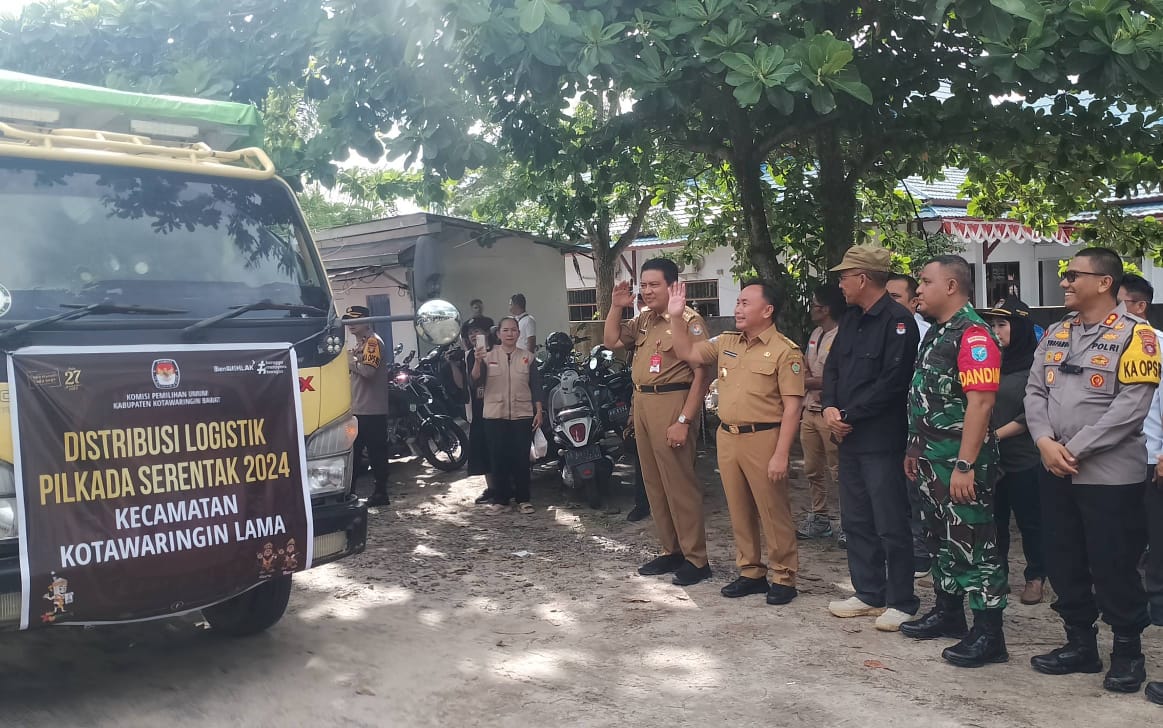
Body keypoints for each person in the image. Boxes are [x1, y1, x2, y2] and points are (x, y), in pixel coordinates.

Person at [1024, 247, 1159, 694]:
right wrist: (1044, 442)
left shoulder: (1138, 336)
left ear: (1104, 283)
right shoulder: (1057, 332)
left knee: (1113, 563)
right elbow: (1034, 391)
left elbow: (1131, 408)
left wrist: (1072, 448)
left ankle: (1127, 653)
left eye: (1073, 275)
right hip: (1054, 467)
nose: (1064, 282)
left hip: (1109, 477)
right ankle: (1080, 644)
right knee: (1063, 559)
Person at [898, 256, 1009, 668]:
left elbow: (981, 404)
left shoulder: (974, 335)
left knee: (976, 544)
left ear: (950, 286)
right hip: (931, 459)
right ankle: (949, 612)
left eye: (925, 281)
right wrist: (915, 448)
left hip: (961, 463)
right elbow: (926, 397)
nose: (918, 289)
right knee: (941, 540)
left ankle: (989, 634)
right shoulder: (937, 332)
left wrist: (965, 465)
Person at [670, 279, 805, 605]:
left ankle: (783, 576)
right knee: (739, 508)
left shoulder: (785, 351)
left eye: (745, 303)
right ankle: (751, 571)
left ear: (767, 310)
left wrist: (781, 454)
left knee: (772, 510)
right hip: (728, 436)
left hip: (764, 437)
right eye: (738, 302)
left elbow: (793, 407)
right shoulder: (727, 341)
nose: (738, 308)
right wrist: (675, 316)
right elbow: (688, 352)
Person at [823, 245, 920, 632]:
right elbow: (833, 368)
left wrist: (849, 415)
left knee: (890, 521)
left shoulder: (899, 322)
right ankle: (868, 592)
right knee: (856, 519)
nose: (840, 284)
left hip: (881, 438)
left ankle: (901, 600)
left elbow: (893, 382)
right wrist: (830, 407)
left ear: (863, 279)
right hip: (847, 437)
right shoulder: (850, 319)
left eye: (844, 277)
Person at [603, 259, 711, 586]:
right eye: (644, 285)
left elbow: (702, 375)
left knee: (679, 484)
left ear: (672, 286)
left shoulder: (689, 321)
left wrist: (684, 420)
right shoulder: (644, 319)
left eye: (655, 285)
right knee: (654, 483)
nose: (647, 291)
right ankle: (671, 550)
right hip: (644, 401)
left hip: (673, 401)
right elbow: (611, 341)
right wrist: (616, 307)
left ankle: (696, 559)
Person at [981, 297, 1046, 606]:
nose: (995, 331)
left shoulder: (1035, 366)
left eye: (1002, 325)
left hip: (1023, 459)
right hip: (990, 459)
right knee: (994, 521)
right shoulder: (989, 362)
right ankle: (998, 575)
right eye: (992, 325)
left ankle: (1036, 577)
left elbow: (1031, 414)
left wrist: (993, 435)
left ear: (1019, 328)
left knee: (1030, 522)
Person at [472, 316, 545, 515]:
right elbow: (475, 380)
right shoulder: (487, 356)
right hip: (495, 415)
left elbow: (536, 386)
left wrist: (539, 411)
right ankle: (501, 501)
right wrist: (477, 361)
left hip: (522, 414)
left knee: (521, 459)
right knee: (498, 459)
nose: (510, 334)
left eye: (513, 330)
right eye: (505, 330)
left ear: (519, 333)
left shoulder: (528, 357)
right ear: (498, 334)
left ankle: (523, 500)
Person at [888, 272, 934, 577]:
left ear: (913, 302)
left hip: (919, 426)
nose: (889, 303)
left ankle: (921, 552)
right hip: (887, 424)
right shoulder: (876, 329)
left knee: (916, 489)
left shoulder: (926, 334)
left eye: (895, 297)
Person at [797, 284, 844, 541]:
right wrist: (810, 382)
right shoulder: (816, 333)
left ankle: (849, 522)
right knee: (812, 469)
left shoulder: (843, 335)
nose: (811, 310)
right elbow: (804, 367)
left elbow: (836, 378)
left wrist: (805, 382)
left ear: (825, 309)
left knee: (840, 470)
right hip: (809, 411)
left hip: (831, 413)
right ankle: (820, 518)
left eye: (814, 305)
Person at [343, 305, 391, 507]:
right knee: (353, 455)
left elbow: (368, 372)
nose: (351, 324)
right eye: (348, 321)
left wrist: (349, 362)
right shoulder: (360, 344)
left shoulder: (373, 343)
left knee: (375, 453)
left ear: (367, 321)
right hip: (359, 409)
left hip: (371, 410)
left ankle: (380, 493)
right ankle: (349, 493)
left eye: (356, 320)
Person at [455, 322, 496, 505]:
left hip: (499, 406)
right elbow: (468, 382)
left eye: (477, 331)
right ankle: (491, 488)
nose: (473, 335)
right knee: (482, 448)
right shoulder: (470, 355)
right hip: (479, 408)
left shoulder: (497, 351)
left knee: (499, 448)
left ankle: (505, 487)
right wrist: (454, 364)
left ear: (487, 333)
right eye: (470, 333)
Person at [887, 273, 932, 343]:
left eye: (895, 296)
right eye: (885, 296)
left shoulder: (926, 332)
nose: (887, 300)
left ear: (914, 302)